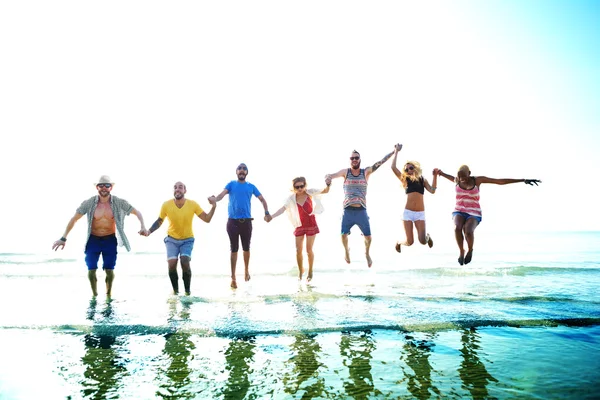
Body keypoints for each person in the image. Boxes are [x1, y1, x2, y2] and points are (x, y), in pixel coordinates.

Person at [52, 175, 148, 297]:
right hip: (93, 239)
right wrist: (63, 237)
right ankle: (95, 295)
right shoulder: (89, 203)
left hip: (110, 239)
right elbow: (74, 219)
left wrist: (143, 226)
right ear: (97, 187)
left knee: (109, 270)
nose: (104, 188)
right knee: (91, 270)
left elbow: (137, 212)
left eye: (107, 185)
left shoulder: (119, 202)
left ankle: (108, 295)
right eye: (101, 185)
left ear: (111, 188)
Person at [435, 165, 541, 265]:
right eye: (460, 177)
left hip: (474, 212)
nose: (462, 179)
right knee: (457, 228)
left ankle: (470, 250)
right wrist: (440, 173)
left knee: (468, 231)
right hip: (459, 210)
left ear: (469, 173)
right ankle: (461, 251)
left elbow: (499, 181)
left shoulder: (477, 180)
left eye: (464, 176)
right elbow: (448, 176)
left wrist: (523, 180)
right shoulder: (457, 180)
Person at [325, 147, 395, 267]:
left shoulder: (366, 172)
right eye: (352, 158)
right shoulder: (345, 172)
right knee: (343, 235)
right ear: (350, 160)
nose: (354, 160)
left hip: (361, 210)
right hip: (347, 210)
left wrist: (394, 152)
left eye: (356, 158)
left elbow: (381, 162)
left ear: (360, 160)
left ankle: (367, 253)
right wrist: (328, 178)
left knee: (368, 237)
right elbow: (331, 175)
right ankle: (347, 251)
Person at [145, 181, 216, 295]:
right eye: (175, 188)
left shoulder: (193, 204)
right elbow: (159, 221)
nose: (177, 189)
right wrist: (149, 231)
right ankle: (176, 292)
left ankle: (187, 292)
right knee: (172, 264)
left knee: (185, 261)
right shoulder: (166, 205)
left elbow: (207, 219)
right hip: (171, 239)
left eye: (180, 187)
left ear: (185, 191)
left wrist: (213, 206)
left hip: (187, 239)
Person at [208, 163, 271, 289]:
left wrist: (266, 212)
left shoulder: (251, 186)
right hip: (232, 222)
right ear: (236, 172)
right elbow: (221, 195)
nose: (242, 170)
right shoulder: (231, 184)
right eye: (240, 169)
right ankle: (233, 278)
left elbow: (262, 199)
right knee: (234, 249)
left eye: (244, 169)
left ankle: (246, 270)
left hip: (246, 222)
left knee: (246, 248)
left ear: (247, 172)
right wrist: (214, 199)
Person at [266, 176, 331, 282]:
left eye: (302, 186)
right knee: (298, 251)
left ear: (305, 185)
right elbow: (282, 209)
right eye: (297, 187)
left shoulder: (310, 192)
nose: (300, 189)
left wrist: (328, 184)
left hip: (311, 224)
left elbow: (325, 191)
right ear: (294, 188)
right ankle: (301, 270)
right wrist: (271, 216)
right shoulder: (291, 198)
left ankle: (310, 271)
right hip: (299, 225)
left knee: (309, 250)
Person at [391, 143, 437, 253]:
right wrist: (396, 151)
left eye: (410, 168)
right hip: (408, 213)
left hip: (420, 213)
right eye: (406, 170)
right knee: (409, 242)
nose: (409, 171)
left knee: (422, 241)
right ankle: (399, 242)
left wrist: (435, 176)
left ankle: (427, 237)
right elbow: (393, 167)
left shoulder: (422, 180)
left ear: (415, 168)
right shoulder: (405, 180)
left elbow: (432, 190)